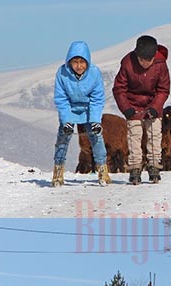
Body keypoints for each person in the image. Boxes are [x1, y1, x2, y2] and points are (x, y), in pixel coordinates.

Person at [112, 35, 170, 185]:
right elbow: (119, 89)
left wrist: (156, 107)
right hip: (133, 104)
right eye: (142, 60)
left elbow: (163, 89)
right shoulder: (127, 63)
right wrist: (126, 109)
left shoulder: (160, 64)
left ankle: (154, 165)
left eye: (148, 60)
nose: (145, 63)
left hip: (153, 103)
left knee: (154, 133)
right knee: (134, 135)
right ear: (137, 55)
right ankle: (135, 167)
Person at [52, 40, 111, 187]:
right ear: (69, 62)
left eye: (82, 62)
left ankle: (102, 169)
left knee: (96, 137)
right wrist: (66, 120)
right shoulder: (62, 73)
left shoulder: (94, 73)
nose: (79, 66)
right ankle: (58, 171)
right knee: (63, 138)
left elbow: (97, 99)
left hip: (88, 108)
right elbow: (61, 98)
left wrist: (95, 120)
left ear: (88, 62)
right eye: (75, 62)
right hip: (70, 108)